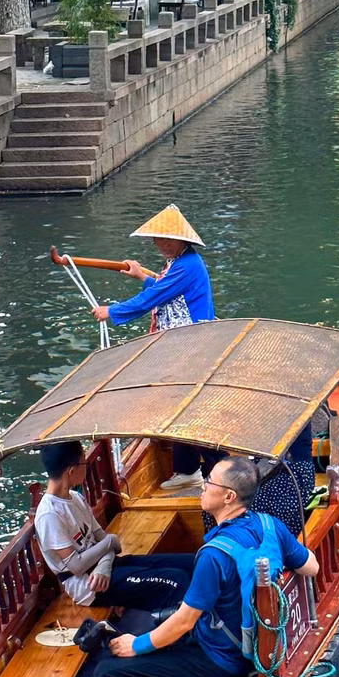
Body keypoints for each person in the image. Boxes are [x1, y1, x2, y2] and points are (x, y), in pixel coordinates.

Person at [93, 457, 319, 677]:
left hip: (222, 661)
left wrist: (136, 645)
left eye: (209, 481)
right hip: (253, 646)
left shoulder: (214, 556)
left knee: (105, 674)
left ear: (228, 496)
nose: (202, 486)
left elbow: (184, 621)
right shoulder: (270, 526)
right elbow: (311, 567)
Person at [93, 205, 219, 490]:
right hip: (180, 344)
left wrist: (111, 312)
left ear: (180, 240)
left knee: (189, 409)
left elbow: (153, 298)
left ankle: (218, 469)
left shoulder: (187, 266)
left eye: (164, 239)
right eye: (157, 239)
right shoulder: (180, 264)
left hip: (191, 345)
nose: (158, 244)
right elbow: (165, 290)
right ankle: (187, 470)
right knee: (177, 407)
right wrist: (141, 276)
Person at [34, 440, 193, 611]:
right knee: (175, 580)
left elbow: (105, 541)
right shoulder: (49, 515)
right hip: (90, 586)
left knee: (190, 562)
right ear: (72, 471)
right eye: (85, 463)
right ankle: (182, 634)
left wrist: (105, 563)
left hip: (106, 567)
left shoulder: (76, 498)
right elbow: (77, 565)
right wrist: (110, 543)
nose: (86, 468)